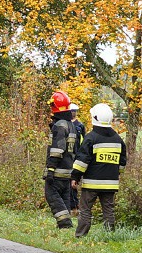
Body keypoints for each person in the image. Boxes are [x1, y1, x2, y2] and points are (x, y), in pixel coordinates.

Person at [71, 103, 127, 237]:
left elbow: (82, 161)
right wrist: (115, 174)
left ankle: (80, 236)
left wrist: (75, 177)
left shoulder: (91, 138)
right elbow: (122, 163)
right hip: (110, 184)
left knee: (85, 210)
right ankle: (110, 236)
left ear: (94, 118)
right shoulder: (118, 139)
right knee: (109, 211)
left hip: (92, 183)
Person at [44, 91, 77, 229]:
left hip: (57, 170)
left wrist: (50, 169)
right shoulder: (71, 125)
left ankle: (65, 223)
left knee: (51, 194)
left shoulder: (60, 125)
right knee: (64, 197)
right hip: (68, 170)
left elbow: (57, 149)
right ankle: (65, 225)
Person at [68, 103, 86, 214]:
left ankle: (75, 206)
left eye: (75, 110)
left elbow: (84, 141)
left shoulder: (80, 125)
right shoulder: (65, 124)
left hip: (76, 157)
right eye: (71, 110)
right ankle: (69, 206)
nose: (73, 112)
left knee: (73, 181)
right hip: (67, 156)